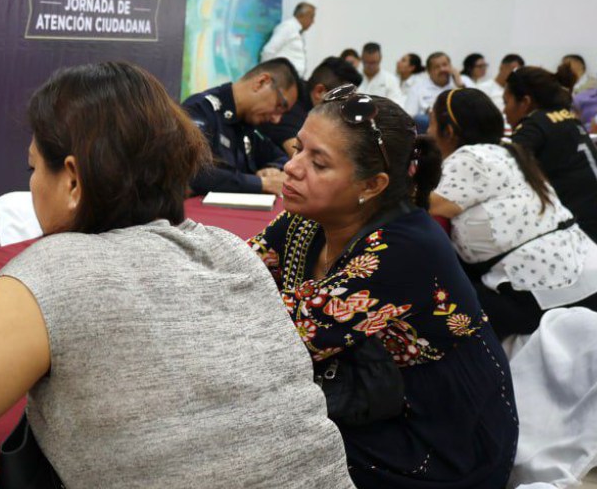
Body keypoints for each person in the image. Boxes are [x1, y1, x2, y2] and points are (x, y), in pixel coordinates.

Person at [0, 62, 354, 487]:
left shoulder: (53, 269)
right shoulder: (230, 249)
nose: (32, 185)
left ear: (74, 179)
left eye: (34, 168)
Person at [251, 85, 518, 488]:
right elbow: (243, 274)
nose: (293, 168)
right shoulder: (308, 216)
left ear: (371, 186)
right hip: (368, 394)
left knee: (264, 446)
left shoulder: (405, 248)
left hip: (440, 435)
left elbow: (284, 338)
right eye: (298, 148)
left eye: (318, 163)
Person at [428, 88, 597, 339]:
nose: (428, 133)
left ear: (449, 131)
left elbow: (425, 205)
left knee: (432, 296)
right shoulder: (507, 150)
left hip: (545, 290)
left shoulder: (470, 157)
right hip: (583, 275)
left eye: (431, 124)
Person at [505, 66, 597, 243]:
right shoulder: (568, 118)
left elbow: (500, 163)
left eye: (506, 102)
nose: (504, 110)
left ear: (524, 102)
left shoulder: (535, 125)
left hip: (581, 230)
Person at [182, 58, 298, 195]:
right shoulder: (201, 110)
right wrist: (261, 184)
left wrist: (272, 169)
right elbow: (193, 172)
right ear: (261, 82)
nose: (276, 119)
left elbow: (280, 157)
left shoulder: (249, 123)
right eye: (280, 105)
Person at [260, 56, 361, 157]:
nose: (342, 109)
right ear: (320, 91)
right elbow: (304, 158)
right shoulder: (291, 108)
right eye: (340, 101)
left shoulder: (311, 105)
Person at [404, 51, 472, 131]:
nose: (442, 69)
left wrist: (460, 85)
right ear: (429, 71)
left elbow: (476, 106)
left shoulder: (464, 81)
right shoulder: (417, 87)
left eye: (445, 65)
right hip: (431, 126)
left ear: (451, 66)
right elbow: (409, 116)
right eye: (437, 67)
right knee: (420, 119)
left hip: (459, 122)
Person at [260, 2, 315, 78]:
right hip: (281, 78)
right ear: (301, 15)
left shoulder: (296, 30)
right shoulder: (288, 27)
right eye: (311, 17)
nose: (313, 22)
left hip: (292, 79)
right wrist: (267, 75)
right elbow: (268, 51)